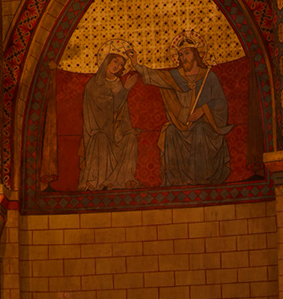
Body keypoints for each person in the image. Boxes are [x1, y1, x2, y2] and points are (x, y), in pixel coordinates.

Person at [136, 37, 231, 186]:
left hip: (205, 124)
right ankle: (175, 180)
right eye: (181, 55)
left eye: (186, 53)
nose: (183, 58)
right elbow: (157, 77)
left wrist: (203, 110)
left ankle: (200, 180)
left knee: (199, 130)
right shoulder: (177, 76)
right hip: (182, 124)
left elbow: (221, 102)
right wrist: (136, 65)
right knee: (171, 131)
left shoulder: (209, 76)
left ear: (195, 54)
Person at [78, 48, 139, 189]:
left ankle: (122, 180)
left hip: (115, 130)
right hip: (97, 131)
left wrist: (128, 130)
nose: (117, 66)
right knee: (102, 138)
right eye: (115, 61)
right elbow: (107, 108)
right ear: (107, 61)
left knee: (130, 138)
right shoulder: (94, 84)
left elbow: (122, 112)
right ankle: (96, 182)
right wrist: (126, 89)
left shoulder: (118, 83)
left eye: (121, 64)